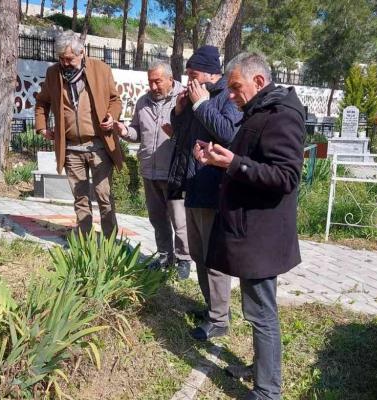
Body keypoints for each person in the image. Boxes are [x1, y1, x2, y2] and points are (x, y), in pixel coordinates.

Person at [194, 52, 305, 400]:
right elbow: (252, 160)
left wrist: (234, 164)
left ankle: (268, 391)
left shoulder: (281, 115)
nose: (230, 95)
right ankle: (260, 370)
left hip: (261, 234)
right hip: (252, 230)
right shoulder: (259, 109)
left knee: (261, 313)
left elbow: (285, 177)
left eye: (235, 87)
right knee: (255, 309)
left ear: (258, 81)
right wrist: (218, 160)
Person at [168, 45, 242, 341]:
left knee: (214, 258)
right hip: (192, 185)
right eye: (187, 74)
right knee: (198, 254)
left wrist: (200, 104)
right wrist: (180, 110)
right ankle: (212, 308)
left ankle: (220, 319)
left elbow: (228, 133)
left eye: (193, 73)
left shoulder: (226, 96)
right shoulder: (196, 95)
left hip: (214, 189)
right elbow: (180, 133)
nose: (189, 79)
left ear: (212, 73)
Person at [34, 30, 123, 238]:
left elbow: (115, 99)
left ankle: (111, 243)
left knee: (104, 196)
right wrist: (42, 127)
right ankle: (84, 241)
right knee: (80, 198)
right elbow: (42, 102)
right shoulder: (53, 73)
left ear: (82, 53)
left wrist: (112, 116)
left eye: (69, 59)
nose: (65, 63)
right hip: (71, 148)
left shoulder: (101, 69)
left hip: (99, 146)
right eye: (61, 59)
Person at [114, 61, 192, 278]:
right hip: (149, 170)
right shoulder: (143, 102)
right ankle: (165, 256)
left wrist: (175, 134)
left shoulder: (183, 99)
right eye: (150, 82)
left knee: (180, 219)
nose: (153, 86)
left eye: (158, 81)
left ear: (170, 79)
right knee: (157, 219)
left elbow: (192, 135)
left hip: (174, 172)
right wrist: (124, 131)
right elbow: (136, 132)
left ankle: (184, 259)